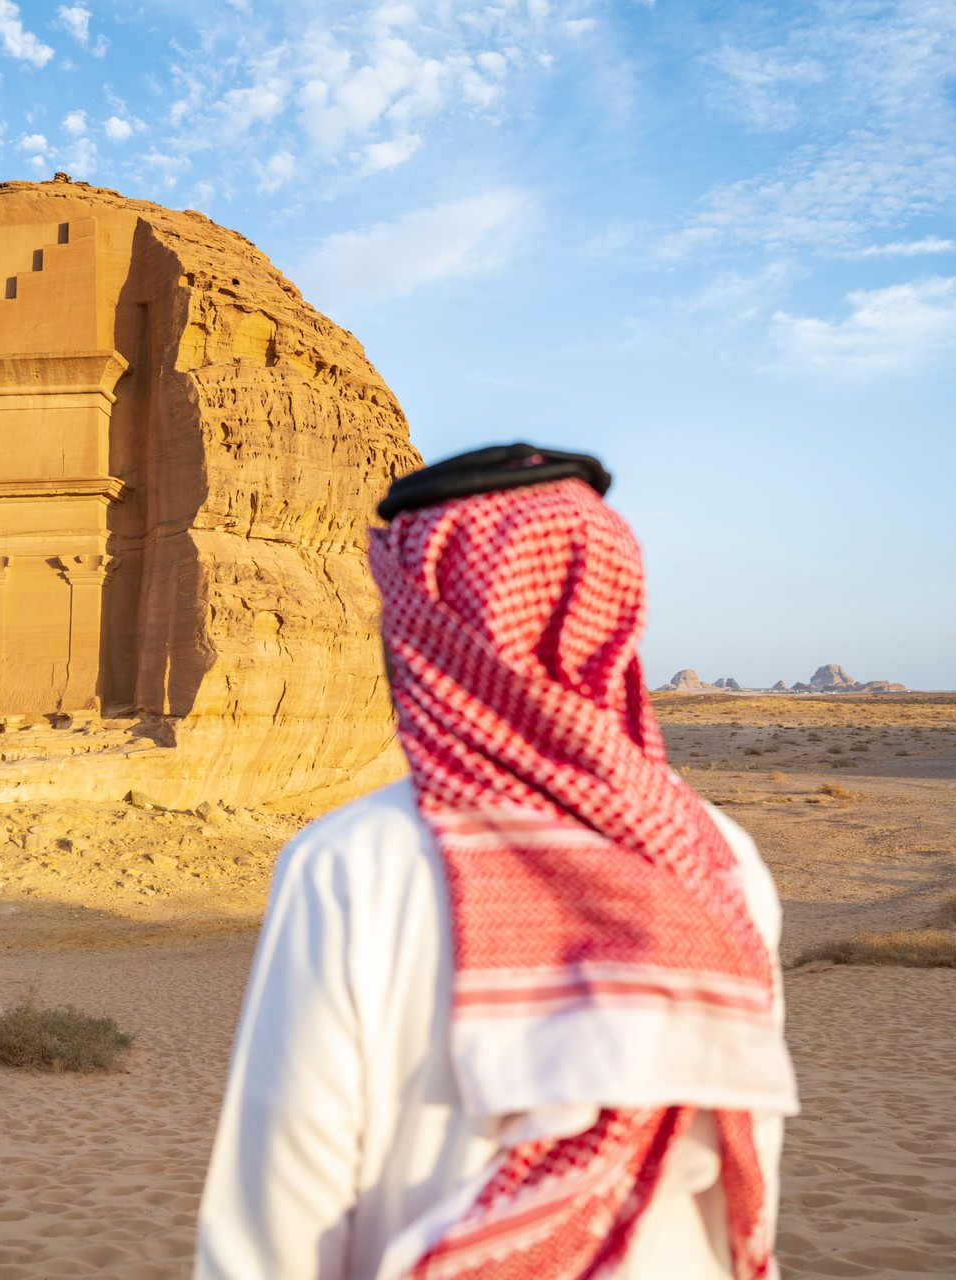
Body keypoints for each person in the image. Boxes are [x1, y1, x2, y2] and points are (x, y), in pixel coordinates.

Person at [193, 444, 798, 1280]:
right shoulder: (724, 858)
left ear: (424, 623)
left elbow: (279, 1213)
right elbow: (747, 1175)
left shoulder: (352, 866)